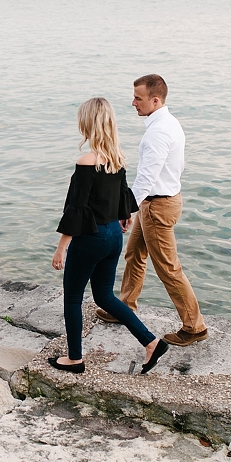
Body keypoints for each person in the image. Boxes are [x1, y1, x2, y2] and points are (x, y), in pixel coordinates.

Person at [50, 97, 169, 375]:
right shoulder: (117, 159)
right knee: (104, 296)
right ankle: (151, 342)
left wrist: (61, 248)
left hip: (90, 238)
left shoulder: (87, 162)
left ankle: (75, 359)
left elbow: (76, 210)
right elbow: (124, 200)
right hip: (114, 236)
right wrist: (124, 220)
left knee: (72, 298)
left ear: (88, 123)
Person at [95, 75, 208, 347]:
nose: (133, 102)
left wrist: (125, 208)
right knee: (134, 254)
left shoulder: (159, 132)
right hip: (158, 201)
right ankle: (125, 307)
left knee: (168, 268)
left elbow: (146, 177)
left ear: (154, 100)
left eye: (138, 98)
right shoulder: (168, 123)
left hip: (157, 205)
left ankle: (194, 326)